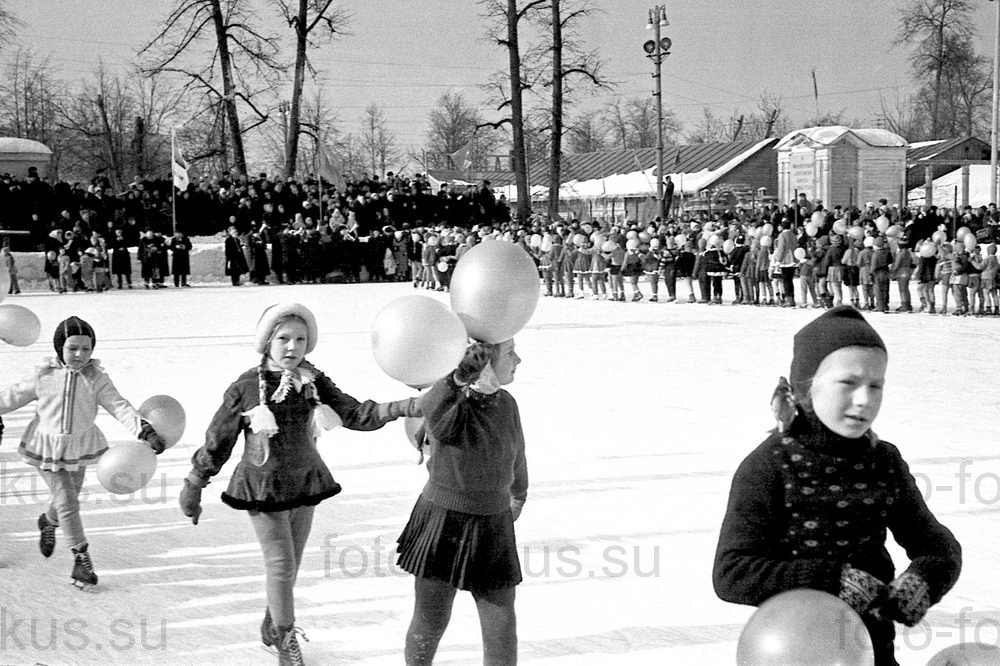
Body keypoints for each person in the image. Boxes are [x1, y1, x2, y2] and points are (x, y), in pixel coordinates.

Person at [713, 306, 961, 666]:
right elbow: (732, 573)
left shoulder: (883, 462)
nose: (864, 399)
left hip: (872, 650)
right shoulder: (769, 466)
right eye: (848, 382)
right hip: (794, 651)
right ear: (806, 386)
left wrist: (924, 579)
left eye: (876, 385)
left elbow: (938, 547)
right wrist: (829, 580)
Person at [178, 303, 420, 666]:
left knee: (290, 566)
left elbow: (354, 413)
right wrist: (195, 483)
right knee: (279, 564)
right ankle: (287, 639)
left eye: (300, 339)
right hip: (262, 487)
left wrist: (406, 406)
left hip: (305, 483)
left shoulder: (313, 380)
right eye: (283, 339)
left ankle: (274, 621)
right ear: (267, 341)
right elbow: (219, 439)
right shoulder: (245, 387)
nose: (292, 347)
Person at [0, 316, 167, 589]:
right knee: (67, 500)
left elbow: (119, 406)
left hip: (79, 446)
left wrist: (144, 431)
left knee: (67, 500)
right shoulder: (44, 375)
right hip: (46, 447)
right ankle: (81, 558)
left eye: (86, 349)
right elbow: (11, 396)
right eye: (72, 347)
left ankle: (48, 520)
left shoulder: (96, 379)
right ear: (59, 348)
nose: (79, 354)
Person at [397, 339, 528, 666]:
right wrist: (459, 376)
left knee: (502, 623)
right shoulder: (453, 408)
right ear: (482, 361)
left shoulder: (507, 404)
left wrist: (519, 493)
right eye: (510, 352)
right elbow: (434, 406)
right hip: (444, 521)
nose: (519, 359)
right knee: (431, 618)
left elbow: (517, 455)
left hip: (493, 524)